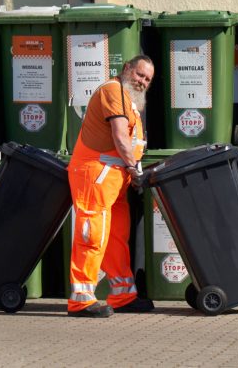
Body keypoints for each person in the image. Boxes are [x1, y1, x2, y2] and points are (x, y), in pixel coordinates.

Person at [67, 55, 156, 318]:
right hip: (96, 174)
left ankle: (122, 295)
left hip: (115, 179)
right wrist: (134, 167)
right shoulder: (112, 90)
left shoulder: (130, 100)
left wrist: (130, 170)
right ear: (127, 68)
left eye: (147, 79)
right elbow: (119, 135)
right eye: (139, 75)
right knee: (91, 234)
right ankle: (81, 299)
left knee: (116, 236)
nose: (142, 82)